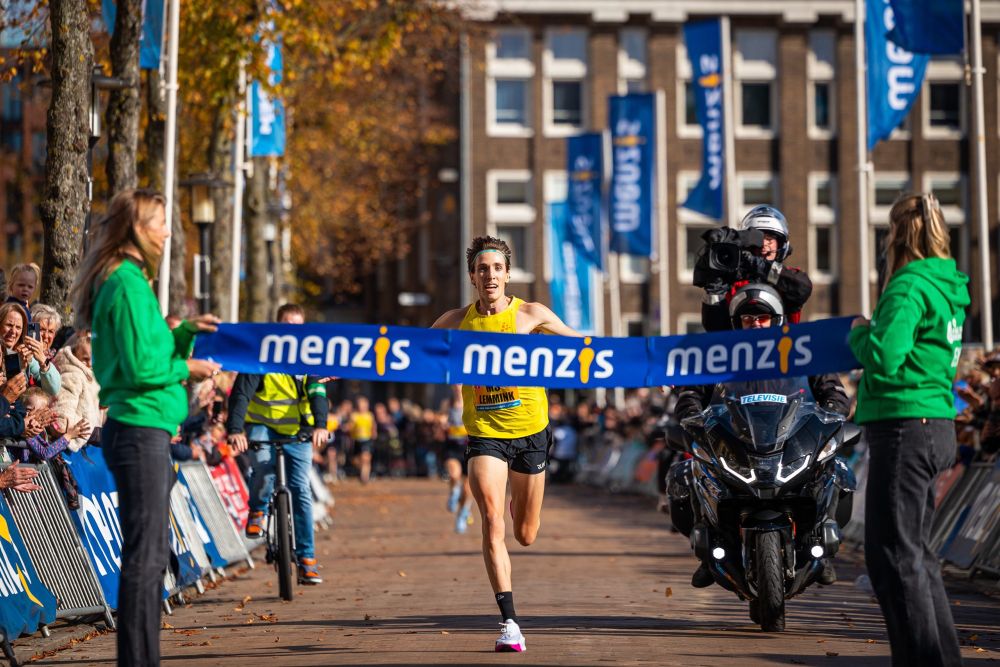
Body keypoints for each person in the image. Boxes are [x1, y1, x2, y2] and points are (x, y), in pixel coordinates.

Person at [69, 188, 221, 667]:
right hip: (139, 429)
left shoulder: (128, 281)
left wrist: (184, 332)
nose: (167, 232)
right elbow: (138, 366)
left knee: (150, 553)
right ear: (138, 228)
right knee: (146, 556)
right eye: (160, 223)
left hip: (143, 427)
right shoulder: (128, 283)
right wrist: (187, 367)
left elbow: (147, 350)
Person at [431, 235, 582, 652]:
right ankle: (510, 623)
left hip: (531, 433)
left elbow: (589, 348)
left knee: (526, 533)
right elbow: (401, 352)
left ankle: (520, 500)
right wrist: (336, 366)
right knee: (492, 523)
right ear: (472, 277)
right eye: (482, 268)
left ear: (507, 274)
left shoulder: (530, 315)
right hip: (484, 434)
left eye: (497, 268)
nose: (489, 275)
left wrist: (648, 366)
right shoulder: (455, 320)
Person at [848, 193, 966, 667]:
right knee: (917, 554)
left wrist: (860, 330)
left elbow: (884, 356)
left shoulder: (908, 286)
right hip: (936, 421)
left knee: (892, 557)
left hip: (904, 423)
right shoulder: (948, 284)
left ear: (895, 235)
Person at [672, 283, 850, 588]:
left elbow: (831, 388)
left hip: (790, 438)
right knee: (685, 474)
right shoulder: (719, 354)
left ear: (777, 318)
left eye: (762, 316)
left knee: (836, 471)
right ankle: (708, 553)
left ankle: (822, 551)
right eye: (748, 317)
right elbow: (692, 390)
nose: (755, 322)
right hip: (736, 438)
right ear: (737, 321)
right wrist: (690, 411)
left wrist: (833, 408)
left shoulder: (799, 349)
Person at [226, 303, 330, 585]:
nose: (290, 331)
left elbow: (318, 392)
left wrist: (321, 425)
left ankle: (307, 560)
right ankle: (258, 509)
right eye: (285, 324)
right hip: (262, 427)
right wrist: (235, 430)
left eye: (296, 326)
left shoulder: (310, 358)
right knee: (262, 468)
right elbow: (240, 395)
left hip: (299, 432)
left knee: (301, 490)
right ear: (275, 325)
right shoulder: (259, 356)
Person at [696, 205, 813, 332]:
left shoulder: (786, 279)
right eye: (758, 241)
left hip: (781, 348)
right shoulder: (732, 282)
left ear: (781, 245)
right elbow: (714, 327)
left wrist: (759, 265)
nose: (764, 246)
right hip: (741, 347)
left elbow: (802, 287)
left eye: (769, 240)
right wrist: (715, 289)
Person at [52, 331, 102, 452]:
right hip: (68, 448)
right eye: (85, 359)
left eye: (92, 359)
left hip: (85, 446)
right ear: (75, 356)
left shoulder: (88, 375)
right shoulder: (73, 376)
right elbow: (62, 420)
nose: (89, 363)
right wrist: (92, 433)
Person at [0, 302, 61, 396]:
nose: (13, 331)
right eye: (41, 329)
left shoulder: (26, 356)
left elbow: (53, 390)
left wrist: (42, 361)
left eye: (18, 327)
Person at [442, 386, 472, 533]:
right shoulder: (446, 405)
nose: (456, 388)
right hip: (452, 448)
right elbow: (438, 419)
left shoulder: (472, 401)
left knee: (467, 490)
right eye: (454, 385)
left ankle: (463, 514)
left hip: (469, 449)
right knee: (453, 474)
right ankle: (454, 491)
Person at [349, 396, 376, 483]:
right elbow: (350, 427)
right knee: (355, 460)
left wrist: (374, 434)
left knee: (366, 458)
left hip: (367, 440)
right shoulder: (354, 415)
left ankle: (364, 477)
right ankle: (362, 472)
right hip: (357, 440)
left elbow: (373, 426)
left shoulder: (369, 415)